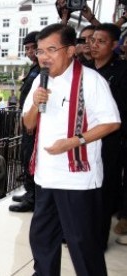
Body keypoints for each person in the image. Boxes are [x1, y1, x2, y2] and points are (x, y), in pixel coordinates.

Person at [24, 23, 120, 276]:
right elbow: (28, 124)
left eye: (51, 49)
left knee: (82, 243)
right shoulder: (39, 82)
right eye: (41, 51)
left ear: (70, 50)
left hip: (77, 179)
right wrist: (35, 104)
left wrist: (74, 141)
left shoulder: (92, 81)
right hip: (46, 175)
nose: (44, 56)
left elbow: (112, 122)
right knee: (42, 238)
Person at [87, 23, 127, 248]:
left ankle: (98, 239)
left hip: (109, 140)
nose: (94, 45)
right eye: (92, 40)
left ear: (114, 45)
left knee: (104, 189)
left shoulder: (122, 71)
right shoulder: (84, 68)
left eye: (100, 41)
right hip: (83, 137)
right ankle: (80, 233)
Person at [9, 31, 40, 213]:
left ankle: (32, 197)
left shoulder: (42, 70)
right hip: (28, 119)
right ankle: (29, 192)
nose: (29, 52)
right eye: (26, 48)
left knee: (30, 157)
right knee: (25, 155)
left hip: (33, 122)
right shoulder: (34, 68)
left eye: (32, 48)